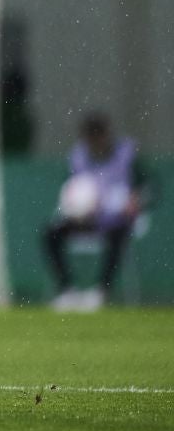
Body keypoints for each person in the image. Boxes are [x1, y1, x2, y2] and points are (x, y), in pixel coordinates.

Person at [42, 114, 156, 310]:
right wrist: (73, 209)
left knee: (119, 236)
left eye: (98, 136)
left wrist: (137, 199)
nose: (95, 143)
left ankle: (101, 291)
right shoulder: (79, 158)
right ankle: (67, 290)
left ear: (107, 135)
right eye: (90, 138)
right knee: (50, 234)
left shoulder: (126, 156)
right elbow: (71, 189)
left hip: (116, 219)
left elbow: (151, 187)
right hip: (86, 219)